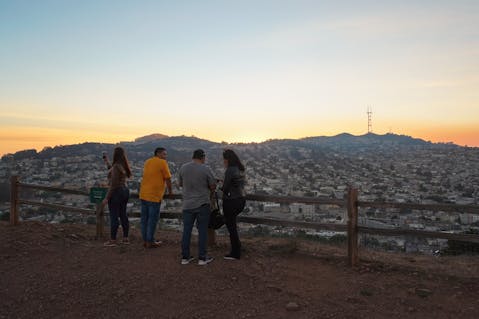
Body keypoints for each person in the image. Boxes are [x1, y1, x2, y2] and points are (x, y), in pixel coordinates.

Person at [178, 149, 216, 265]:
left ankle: (185, 258)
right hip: (202, 204)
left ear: (193, 156)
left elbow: (180, 184)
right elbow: (213, 185)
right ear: (203, 157)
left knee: (187, 231)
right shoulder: (206, 168)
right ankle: (202, 258)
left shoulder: (183, 167)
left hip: (187, 204)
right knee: (202, 231)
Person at [139, 147, 173, 248]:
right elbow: (168, 178)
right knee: (152, 220)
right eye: (164, 154)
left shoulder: (147, 161)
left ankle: (145, 240)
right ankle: (150, 241)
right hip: (154, 196)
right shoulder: (162, 163)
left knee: (144, 219)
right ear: (158, 154)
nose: (165, 156)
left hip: (143, 194)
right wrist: (170, 191)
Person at [102, 147, 132, 247]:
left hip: (116, 193)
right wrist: (107, 162)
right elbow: (113, 171)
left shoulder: (116, 166)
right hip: (125, 191)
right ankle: (126, 238)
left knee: (114, 216)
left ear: (115, 154)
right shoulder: (123, 165)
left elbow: (113, 184)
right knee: (123, 215)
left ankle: (113, 240)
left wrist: (106, 197)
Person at [221, 149, 246, 260]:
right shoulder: (240, 169)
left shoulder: (230, 170)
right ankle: (238, 247)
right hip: (241, 200)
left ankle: (235, 253)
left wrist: (219, 187)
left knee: (231, 227)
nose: (223, 161)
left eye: (224, 159)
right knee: (233, 226)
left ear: (227, 159)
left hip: (231, 201)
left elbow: (225, 188)